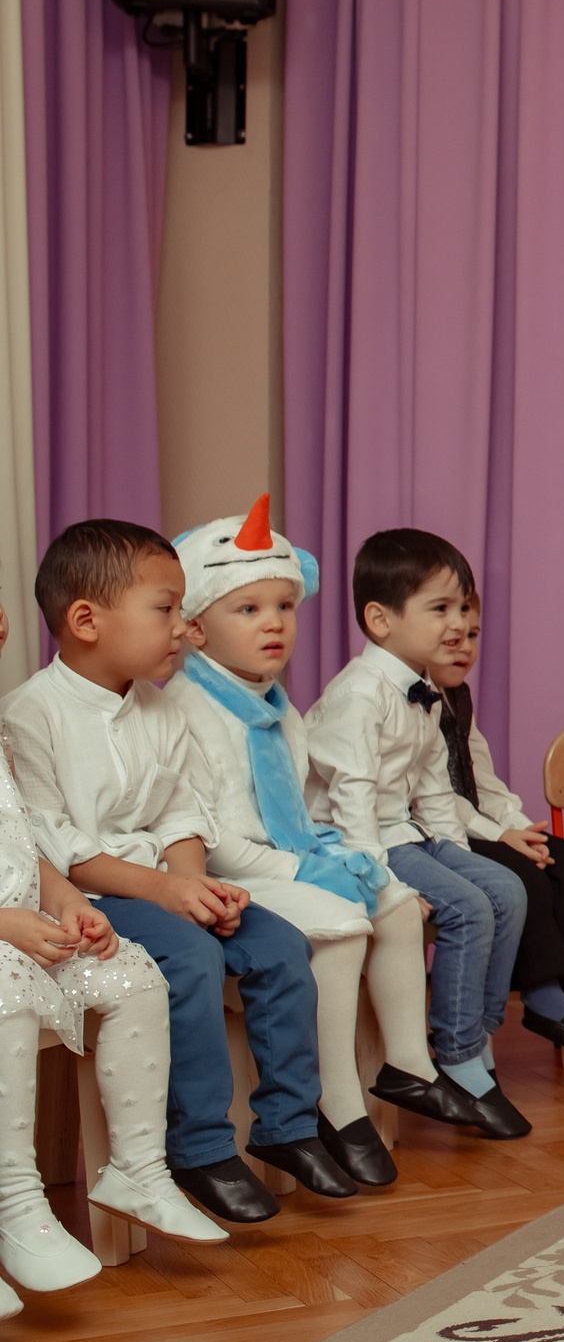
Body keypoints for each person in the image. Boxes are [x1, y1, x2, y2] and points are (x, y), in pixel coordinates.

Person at [2, 519, 354, 1225]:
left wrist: (193, 882)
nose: (183, 626)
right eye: (166, 609)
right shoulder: (32, 714)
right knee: (190, 955)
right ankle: (197, 1145)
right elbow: (52, 846)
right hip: (97, 896)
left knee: (279, 944)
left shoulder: (158, 706)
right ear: (85, 620)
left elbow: (180, 813)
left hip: (163, 885)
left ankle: (288, 1124)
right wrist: (165, 890)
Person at [167, 495, 462, 1189]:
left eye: (284, 606)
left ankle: (408, 1065)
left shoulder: (275, 703)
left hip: (282, 857)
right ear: (198, 630)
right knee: (337, 920)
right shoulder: (187, 710)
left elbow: (296, 808)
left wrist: (332, 854)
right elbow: (212, 842)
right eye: (247, 609)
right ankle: (336, 1100)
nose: (273, 622)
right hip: (227, 870)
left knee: (392, 897)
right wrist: (308, 869)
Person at [0, 588, 226, 1316]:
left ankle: (138, 1166)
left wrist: (63, 900)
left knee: (131, 972)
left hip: (24, 916)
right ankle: (14, 1200)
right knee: (7, 994)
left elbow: (23, 844)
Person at [306, 530, 531, 1139]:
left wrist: (458, 860)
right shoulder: (359, 694)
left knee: (505, 891)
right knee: (467, 909)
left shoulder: (424, 690)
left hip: (407, 830)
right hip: (355, 842)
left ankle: (474, 1038)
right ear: (380, 619)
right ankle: (454, 1055)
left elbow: (434, 790)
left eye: (462, 609)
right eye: (440, 609)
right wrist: (383, 882)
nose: (458, 623)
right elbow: (350, 802)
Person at [428, 601, 564, 1054]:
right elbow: (432, 799)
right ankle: (541, 997)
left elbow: (484, 781)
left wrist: (525, 831)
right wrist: (502, 837)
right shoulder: (417, 699)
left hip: (476, 823)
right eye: (453, 640)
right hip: (436, 833)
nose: (465, 648)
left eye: (473, 637)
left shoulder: (458, 696)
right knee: (522, 875)